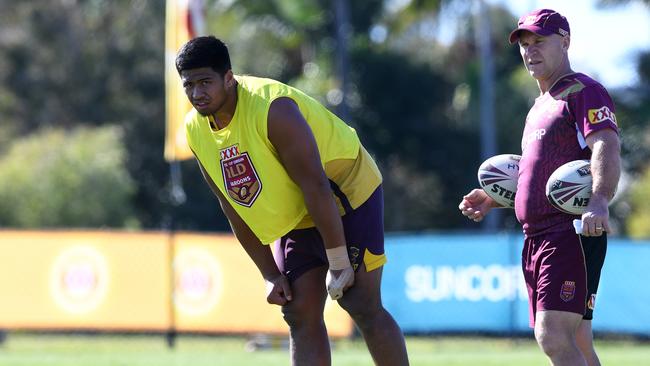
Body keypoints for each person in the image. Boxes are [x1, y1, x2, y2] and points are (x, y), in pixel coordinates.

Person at [175, 36, 409, 366]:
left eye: (205, 82)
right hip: (300, 206)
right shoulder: (194, 130)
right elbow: (231, 206)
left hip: (346, 190)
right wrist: (269, 274)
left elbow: (317, 186)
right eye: (189, 85)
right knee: (298, 310)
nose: (197, 93)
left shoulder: (274, 109)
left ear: (229, 78)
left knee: (360, 303)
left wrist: (338, 261)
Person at [459, 9, 620, 366]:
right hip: (540, 236)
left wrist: (600, 199)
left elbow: (606, 144)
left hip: (569, 233)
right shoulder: (540, 107)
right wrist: (494, 199)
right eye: (525, 44)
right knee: (576, 339)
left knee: (553, 335)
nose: (530, 50)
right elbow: (539, 177)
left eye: (540, 42)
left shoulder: (583, 91)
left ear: (565, 42)